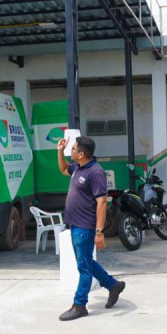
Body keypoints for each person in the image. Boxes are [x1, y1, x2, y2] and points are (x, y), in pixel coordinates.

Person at [56, 135, 126, 321]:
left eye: (72, 149)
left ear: (81, 154)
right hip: (74, 225)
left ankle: (79, 305)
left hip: (85, 227)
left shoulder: (95, 172)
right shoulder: (78, 168)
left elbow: (102, 202)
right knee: (87, 262)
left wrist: (99, 232)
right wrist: (60, 152)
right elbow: (63, 169)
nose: (70, 151)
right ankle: (113, 285)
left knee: (84, 267)